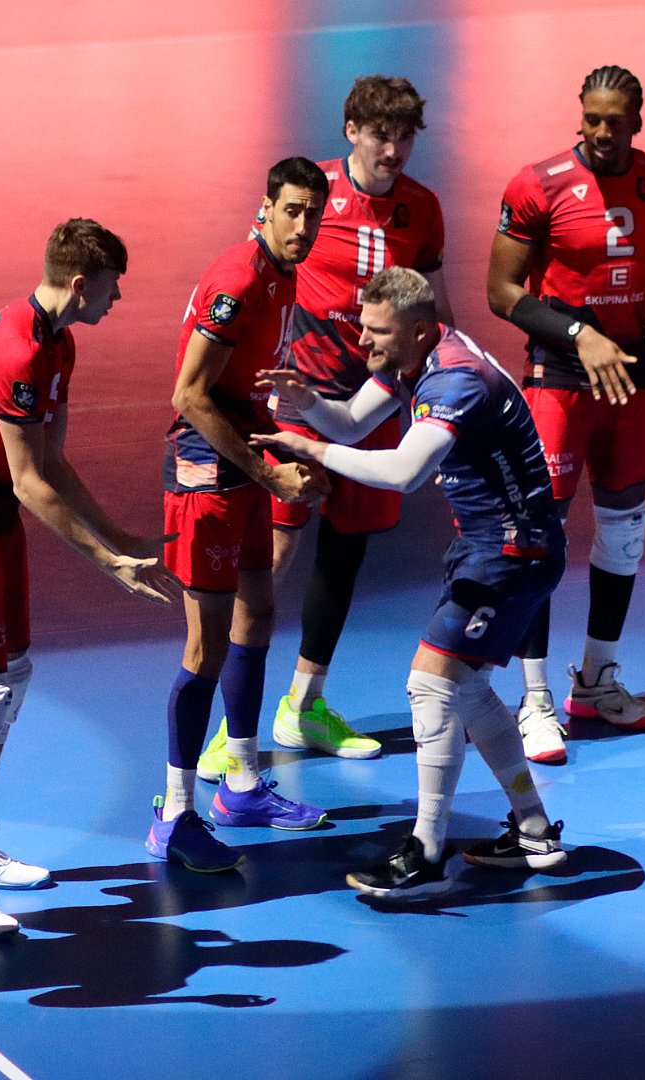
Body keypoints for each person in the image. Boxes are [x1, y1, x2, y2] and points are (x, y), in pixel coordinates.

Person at [257, 266, 569, 900]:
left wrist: (310, 451)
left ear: (421, 329)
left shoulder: (455, 378)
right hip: (491, 547)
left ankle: (426, 850)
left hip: (511, 553)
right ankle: (535, 831)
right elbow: (350, 422)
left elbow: (404, 472)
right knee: (469, 689)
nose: (362, 341)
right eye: (363, 327)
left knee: (430, 684)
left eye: (377, 331)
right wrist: (308, 405)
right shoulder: (414, 358)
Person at [0, 220, 181, 939]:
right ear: (81, 284)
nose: (118, 299)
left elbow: (50, 463)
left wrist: (118, 535)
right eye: (114, 286)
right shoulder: (16, 350)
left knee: (14, 677)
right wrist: (106, 563)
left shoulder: (58, 343)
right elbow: (31, 482)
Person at [197, 76, 451, 778]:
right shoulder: (313, 197)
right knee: (269, 561)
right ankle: (230, 726)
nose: (393, 150)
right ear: (351, 131)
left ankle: (303, 706)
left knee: (344, 554)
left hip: (375, 404)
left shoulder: (423, 209)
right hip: (296, 396)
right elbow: (257, 272)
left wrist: (435, 390)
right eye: (380, 135)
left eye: (404, 137)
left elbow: (436, 311)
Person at [487, 64, 645, 764]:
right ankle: (535, 700)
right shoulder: (538, 185)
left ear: (637, 121)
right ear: (579, 115)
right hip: (560, 377)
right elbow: (501, 291)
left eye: (616, 121)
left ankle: (597, 682)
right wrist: (580, 334)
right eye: (592, 119)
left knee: (625, 530)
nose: (602, 132)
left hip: (631, 377)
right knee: (537, 536)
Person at [154, 157, 333, 872]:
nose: (302, 226)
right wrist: (267, 474)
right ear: (265, 208)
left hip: (244, 450)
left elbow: (238, 389)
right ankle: (174, 815)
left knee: (255, 615)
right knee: (204, 646)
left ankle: (242, 783)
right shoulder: (238, 280)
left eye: (313, 214)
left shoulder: (281, 276)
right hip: (206, 468)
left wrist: (282, 445)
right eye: (291, 210)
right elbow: (189, 395)